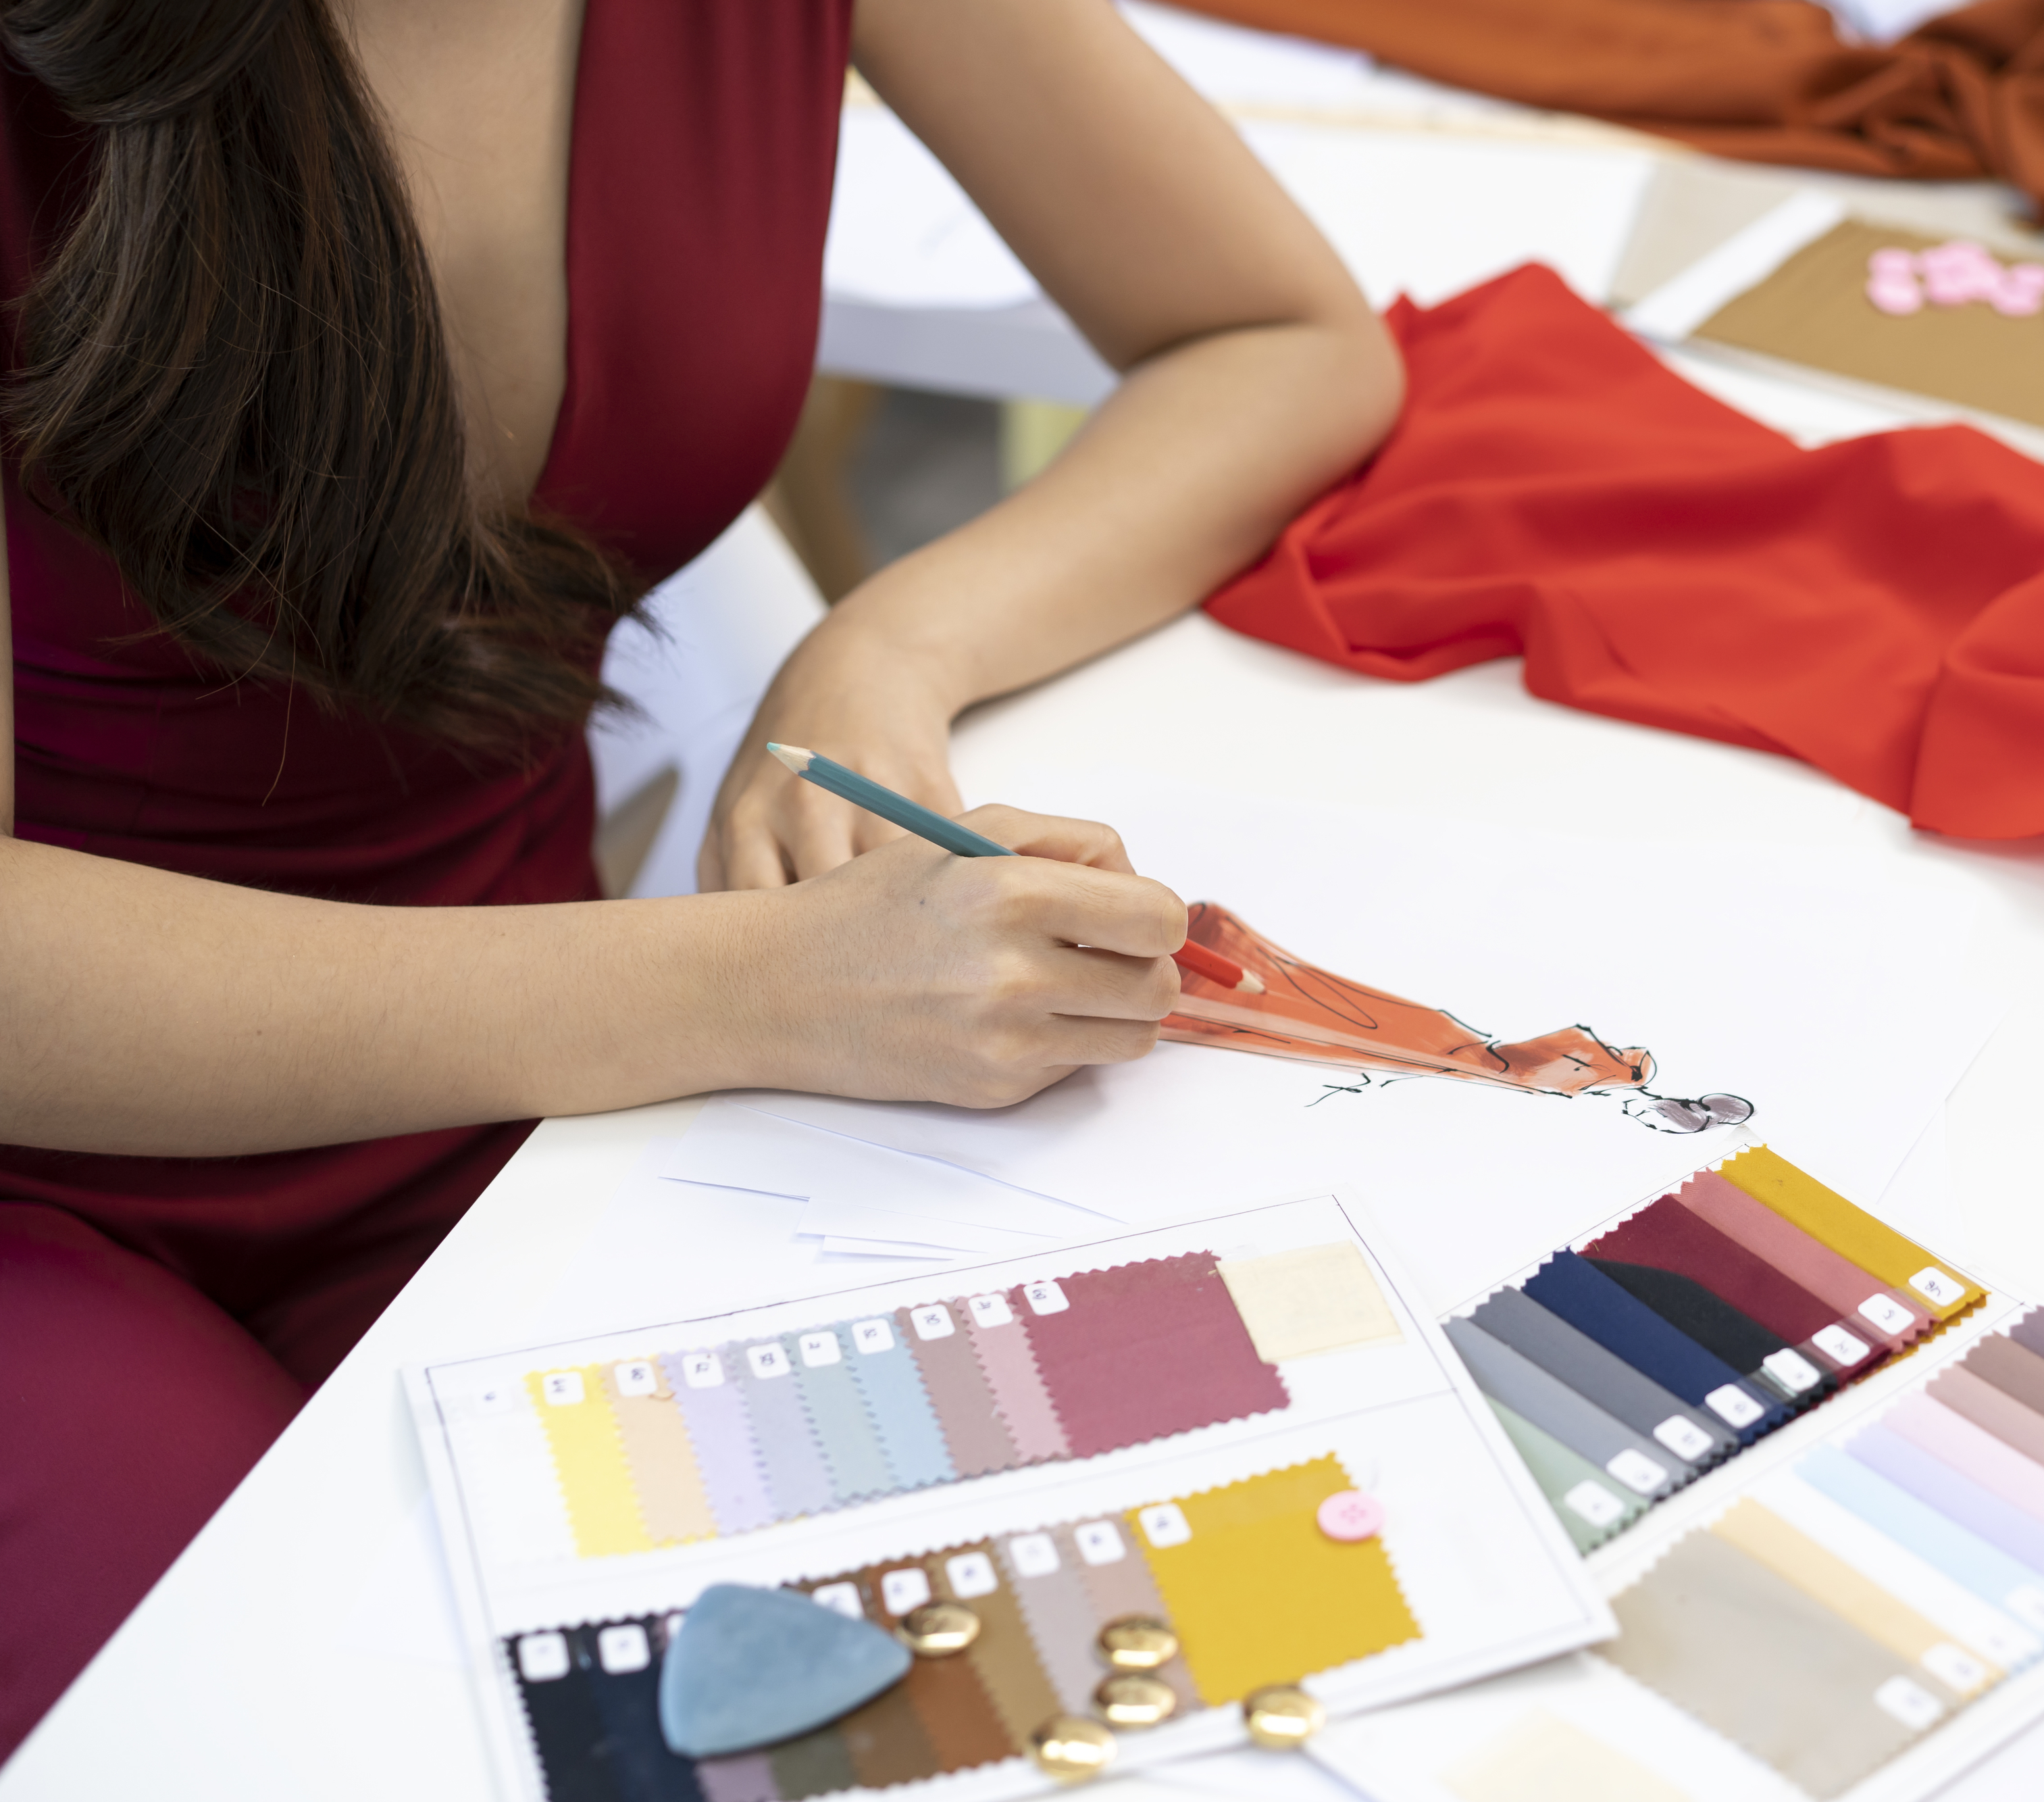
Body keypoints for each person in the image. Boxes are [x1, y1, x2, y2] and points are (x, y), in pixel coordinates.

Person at [0, 0, 1401, 1750]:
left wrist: (884, 644)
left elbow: (1279, 334)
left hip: (545, 1097)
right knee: (301, 1727)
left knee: (1028, 1642)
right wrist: (765, 986)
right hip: (71, 1169)